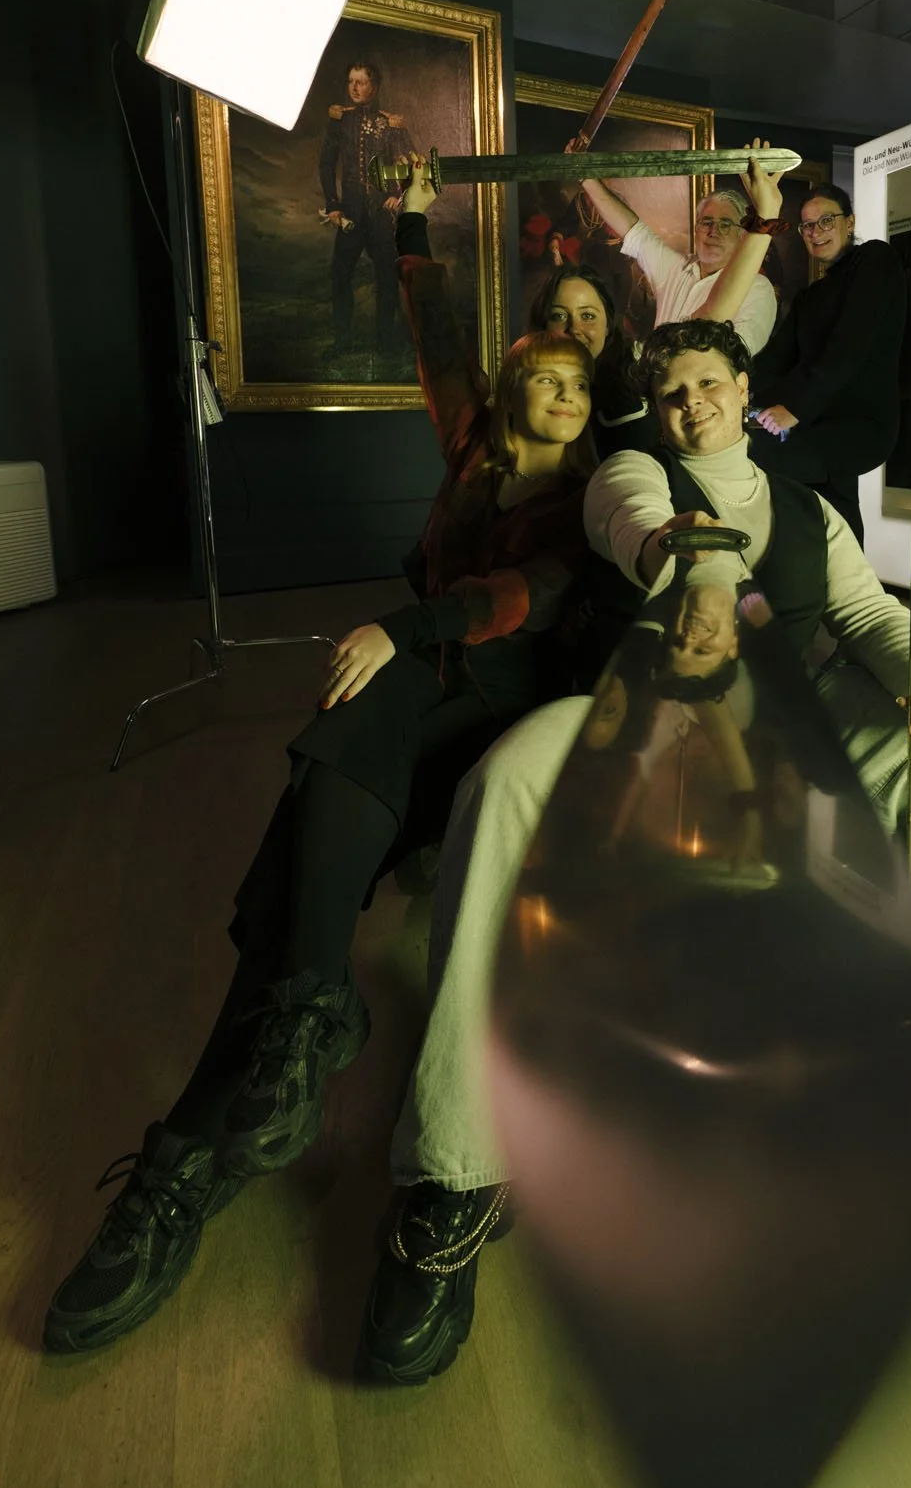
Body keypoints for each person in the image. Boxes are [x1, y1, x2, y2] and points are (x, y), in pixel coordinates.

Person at [356, 317, 911, 1388]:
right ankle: (458, 1170)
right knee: (508, 778)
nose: (692, 405)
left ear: (743, 386)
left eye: (709, 384)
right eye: (672, 392)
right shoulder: (628, 473)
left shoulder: (806, 507)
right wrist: (702, 567)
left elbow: (866, 616)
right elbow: (640, 527)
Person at [43, 163, 597, 1357]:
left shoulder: (604, 492)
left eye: (585, 355)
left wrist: (406, 624)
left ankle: (208, 1129)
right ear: (513, 380)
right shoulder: (473, 444)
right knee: (325, 808)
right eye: (546, 355)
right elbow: (431, 323)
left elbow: (524, 596)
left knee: (345, 746)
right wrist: (410, 216)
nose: (565, 369)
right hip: (415, 692)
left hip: (496, 709)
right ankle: (272, 1051)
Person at [749, 183, 906, 543]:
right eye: (807, 225)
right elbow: (774, 362)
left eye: (826, 221)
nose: (815, 232)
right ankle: (848, 576)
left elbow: (849, 347)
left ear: (850, 222)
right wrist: (735, 387)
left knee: (759, 456)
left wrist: (795, 409)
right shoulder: (810, 296)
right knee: (835, 505)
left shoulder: (875, 259)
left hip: (859, 423)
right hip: (818, 420)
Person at [578, 146, 785, 359]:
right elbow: (632, 229)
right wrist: (585, 176)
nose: (713, 231)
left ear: (742, 234)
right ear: (696, 229)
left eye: (725, 224)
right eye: (706, 222)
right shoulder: (676, 268)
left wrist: (767, 211)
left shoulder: (758, 288)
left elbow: (733, 355)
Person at [318, 60, 415, 353]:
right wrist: (333, 204)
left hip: (380, 214)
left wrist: (397, 194)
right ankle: (342, 341)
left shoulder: (391, 123)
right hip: (349, 213)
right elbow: (326, 164)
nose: (354, 87)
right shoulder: (340, 120)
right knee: (340, 275)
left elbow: (409, 162)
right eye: (351, 81)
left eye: (361, 82)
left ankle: (385, 342)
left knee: (387, 277)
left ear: (374, 86)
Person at [526, 261, 655, 460]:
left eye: (587, 316)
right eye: (559, 315)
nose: (574, 329)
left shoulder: (629, 400)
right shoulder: (524, 389)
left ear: (608, 326)